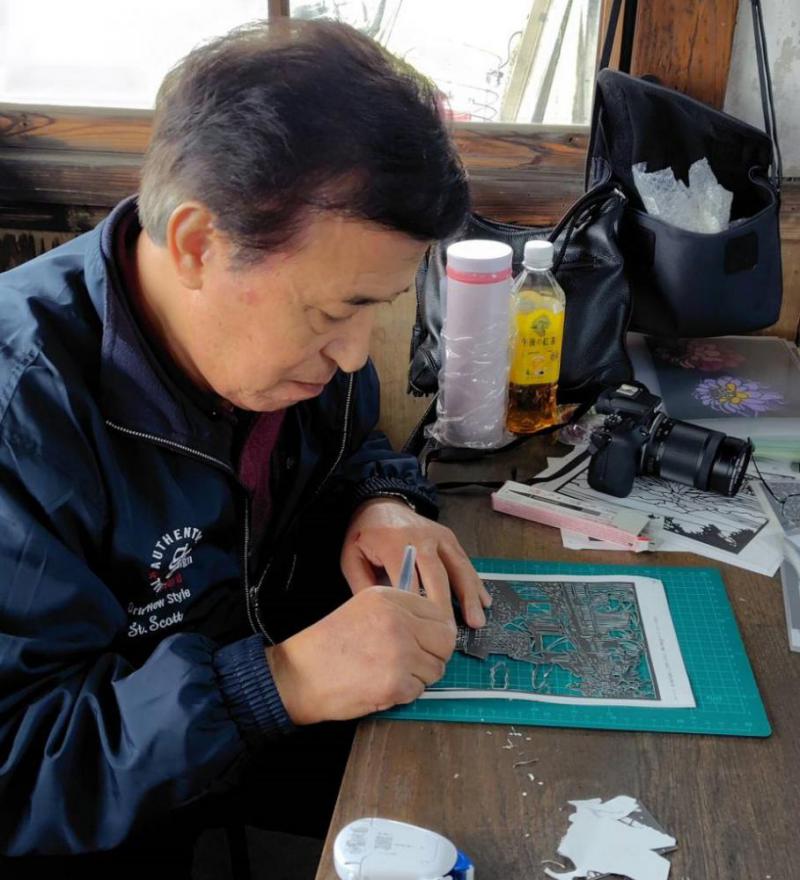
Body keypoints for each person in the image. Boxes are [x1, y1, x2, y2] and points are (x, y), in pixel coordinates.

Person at [0, 17, 490, 877]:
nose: (354, 355)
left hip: (243, 752)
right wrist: (279, 684)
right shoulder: (23, 418)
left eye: (375, 310)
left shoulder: (282, 355)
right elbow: (20, 767)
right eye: (336, 312)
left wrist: (381, 500)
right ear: (199, 245)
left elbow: (350, 448)